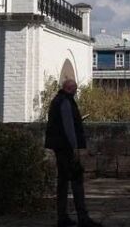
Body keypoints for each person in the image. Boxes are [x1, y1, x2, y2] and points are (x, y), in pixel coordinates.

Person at [44, 79, 102, 227]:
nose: (76, 91)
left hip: (59, 146)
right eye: (75, 89)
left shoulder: (57, 100)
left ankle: (62, 217)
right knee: (76, 181)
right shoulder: (65, 102)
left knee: (63, 182)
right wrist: (75, 148)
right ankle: (82, 218)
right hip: (67, 148)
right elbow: (68, 126)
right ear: (69, 88)